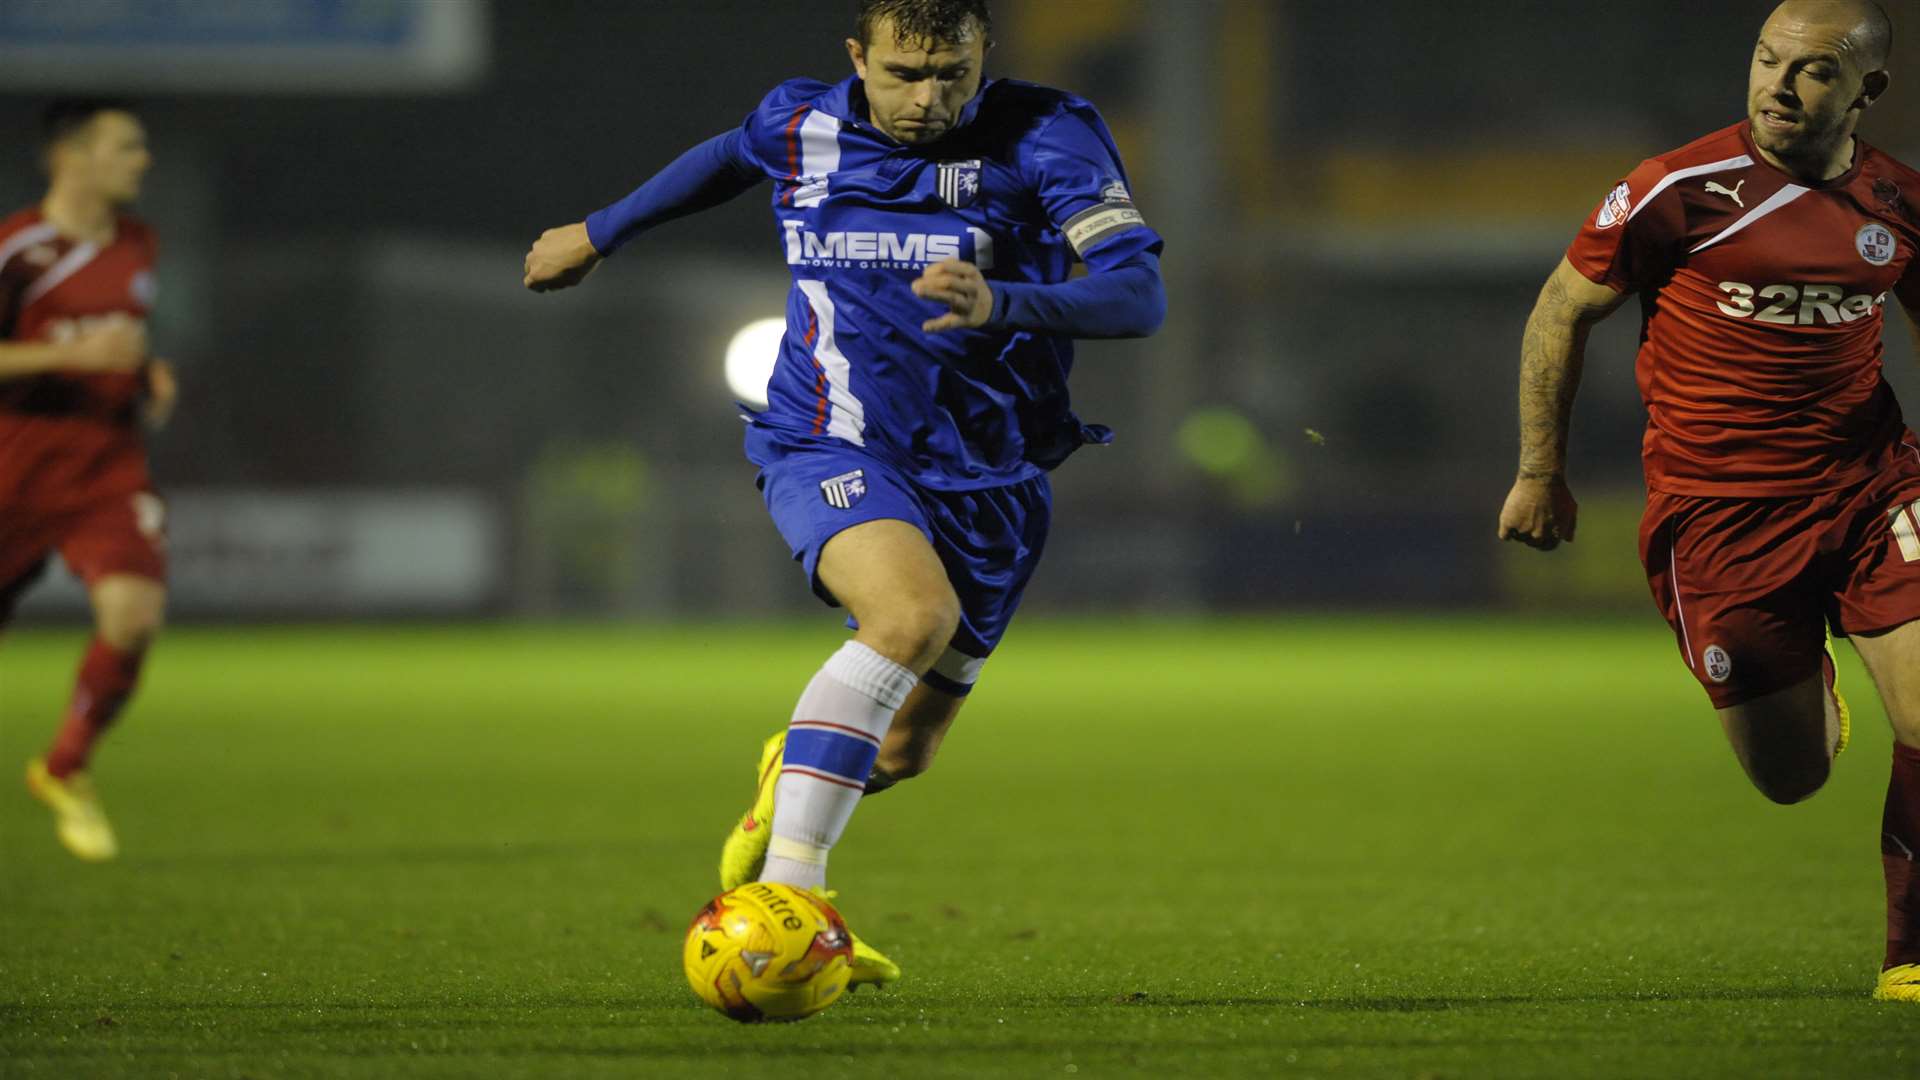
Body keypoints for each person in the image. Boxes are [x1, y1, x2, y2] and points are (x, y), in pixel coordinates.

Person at [524, 0, 1164, 986]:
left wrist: (1005, 303)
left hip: (995, 470)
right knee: (910, 616)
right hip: (830, 437)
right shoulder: (801, 123)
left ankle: (793, 775)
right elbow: (727, 156)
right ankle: (796, 900)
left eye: (952, 72)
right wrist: (600, 231)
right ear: (857, 57)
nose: (928, 96)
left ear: (983, 55)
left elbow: (1137, 293)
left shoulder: (1048, 133)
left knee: (905, 751)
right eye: (905, 72)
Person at [1498, 0, 1919, 1003]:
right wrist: (1539, 472)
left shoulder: (1900, 202)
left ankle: (1910, 955)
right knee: (1792, 776)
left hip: (1872, 488)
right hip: (1721, 516)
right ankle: (1804, 683)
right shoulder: (1678, 189)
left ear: (1868, 90)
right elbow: (1562, 310)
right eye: (1767, 61)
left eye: (1813, 71)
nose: (1779, 85)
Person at [1, 99, 177, 862]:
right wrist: (63, 358)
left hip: (107, 466)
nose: (142, 161)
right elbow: (68, 349)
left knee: (134, 614)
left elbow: (120, 343)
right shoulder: (18, 249)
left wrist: (150, 372)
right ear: (71, 157)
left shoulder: (139, 244)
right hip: (15, 468)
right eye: (126, 147)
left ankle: (66, 767)